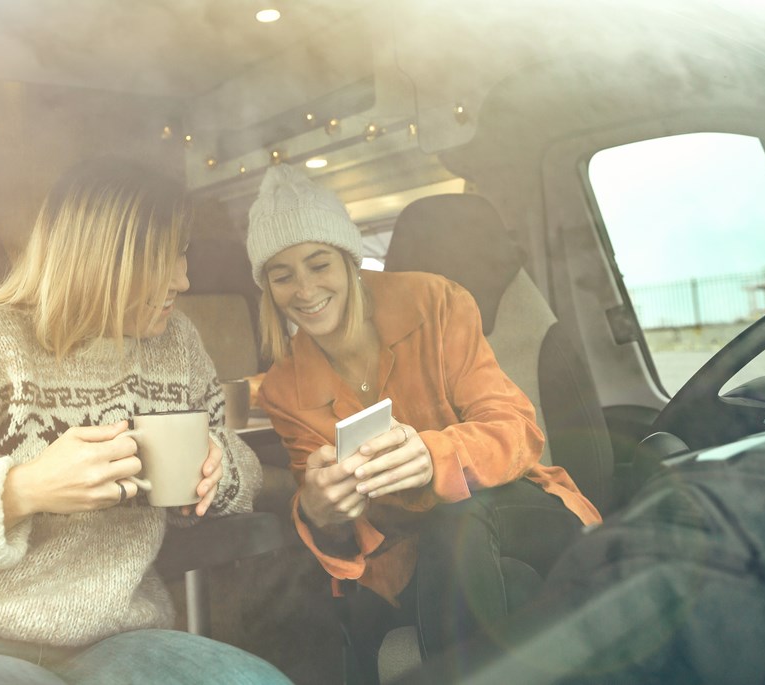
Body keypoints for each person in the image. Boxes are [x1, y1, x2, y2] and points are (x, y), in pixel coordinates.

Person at [0, 160, 291, 685]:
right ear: (104, 259)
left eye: (182, 253)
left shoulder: (178, 347)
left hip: (109, 641)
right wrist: (19, 491)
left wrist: (218, 471)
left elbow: (226, 450)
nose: (185, 279)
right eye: (165, 257)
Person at [247, 164, 602, 683]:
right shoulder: (283, 387)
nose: (304, 290)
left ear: (348, 260)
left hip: (519, 511)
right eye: (282, 276)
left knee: (457, 520)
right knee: (513, 587)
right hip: (415, 559)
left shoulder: (436, 302)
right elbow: (325, 506)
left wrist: (433, 458)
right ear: (267, 288)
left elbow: (516, 427)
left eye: (318, 264)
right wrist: (321, 511)